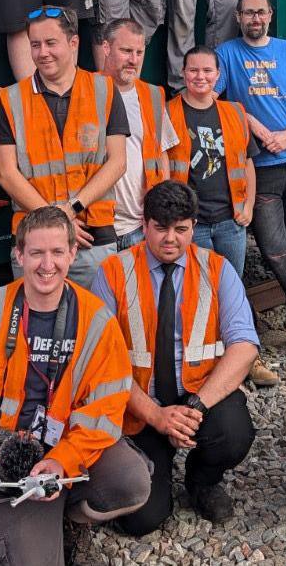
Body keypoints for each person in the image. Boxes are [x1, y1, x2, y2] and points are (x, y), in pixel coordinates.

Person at [0, 206, 150, 566]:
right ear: (19, 255)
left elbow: (105, 409)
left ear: (72, 253)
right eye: (36, 253)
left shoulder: (97, 322)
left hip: (64, 448)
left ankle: (64, 515)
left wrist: (61, 461)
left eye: (57, 252)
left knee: (130, 482)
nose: (47, 265)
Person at [91, 182, 259, 534]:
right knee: (141, 521)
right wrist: (156, 416)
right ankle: (157, 462)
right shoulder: (113, 272)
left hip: (196, 397)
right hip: (138, 406)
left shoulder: (216, 269)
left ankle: (202, 481)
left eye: (181, 229)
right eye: (160, 228)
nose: (171, 239)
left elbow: (244, 346)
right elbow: (101, 364)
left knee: (233, 432)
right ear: (144, 224)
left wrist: (196, 408)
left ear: (193, 226)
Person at [166, 46, 277, 387]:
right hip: (192, 224)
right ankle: (206, 363)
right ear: (183, 74)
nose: (200, 77)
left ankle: (248, 359)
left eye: (207, 71)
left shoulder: (233, 112)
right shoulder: (168, 113)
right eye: (193, 71)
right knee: (198, 294)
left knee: (234, 291)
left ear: (217, 75)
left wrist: (248, 206)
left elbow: (246, 161)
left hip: (230, 220)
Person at [0, 5, 129, 286]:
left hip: (93, 238)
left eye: (50, 43)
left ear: (73, 43)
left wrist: (69, 210)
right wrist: (58, 220)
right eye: (35, 45)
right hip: (32, 242)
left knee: (96, 326)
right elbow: (5, 173)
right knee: (36, 328)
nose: (42, 53)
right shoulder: (12, 99)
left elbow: (117, 162)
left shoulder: (104, 90)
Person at [215, 0, 286, 342]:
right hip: (262, 169)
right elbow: (212, 102)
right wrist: (256, 127)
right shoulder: (226, 55)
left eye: (260, 12)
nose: (255, 19)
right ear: (238, 16)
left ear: (270, 15)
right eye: (248, 13)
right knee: (277, 251)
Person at [97, 18, 178, 250]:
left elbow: (161, 153)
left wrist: (160, 209)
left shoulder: (152, 95)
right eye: (125, 51)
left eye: (139, 52)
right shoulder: (85, 89)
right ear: (106, 48)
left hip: (140, 226)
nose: (133, 60)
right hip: (99, 226)